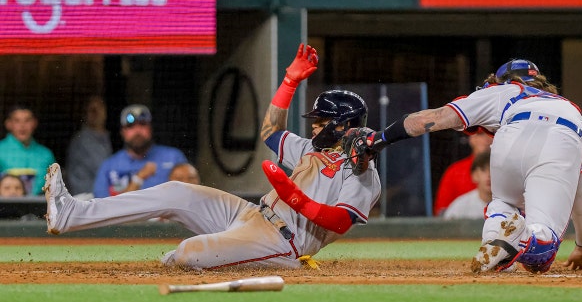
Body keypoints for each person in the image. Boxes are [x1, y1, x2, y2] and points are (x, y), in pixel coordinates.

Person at [42, 43, 381, 270]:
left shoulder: (362, 172)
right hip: (252, 214)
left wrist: (292, 196)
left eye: (319, 122)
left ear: (340, 127)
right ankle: (70, 213)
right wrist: (289, 82)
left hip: (284, 241)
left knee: (190, 252)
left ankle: (188, 259)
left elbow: (340, 221)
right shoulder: (311, 149)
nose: (313, 128)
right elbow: (270, 132)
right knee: (175, 191)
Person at [345, 59, 582, 273]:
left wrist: (379, 139)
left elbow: (431, 119)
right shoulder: (569, 107)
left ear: (503, 80)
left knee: (503, 204)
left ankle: (498, 240)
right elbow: (580, 197)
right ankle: (522, 237)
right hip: (561, 138)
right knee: (541, 253)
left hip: (510, 135)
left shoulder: (500, 91)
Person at [93, 104, 187, 198]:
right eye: (130, 126)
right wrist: (139, 178)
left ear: (150, 129)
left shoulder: (174, 157)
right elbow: (102, 205)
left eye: (142, 124)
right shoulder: (109, 166)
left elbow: (188, 194)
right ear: (123, 132)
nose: (137, 131)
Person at [0, 104, 55, 195]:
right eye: (17, 121)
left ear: (34, 123)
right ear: (8, 124)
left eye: (27, 120)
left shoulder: (46, 154)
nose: (22, 126)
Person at [434, 131, 493, 216]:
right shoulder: (454, 172)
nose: (487, 139)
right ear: (471, 138)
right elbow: (442, 213)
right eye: (480, 134)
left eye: (491, 134)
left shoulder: (508, 169)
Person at [66, 96, 113, 196]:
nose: (95, 113)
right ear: (85, 114)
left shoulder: (107, 138)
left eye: (98, 109)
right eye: (91, 110)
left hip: (102, 197)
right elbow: (104, 168)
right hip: (87, 198)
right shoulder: (82, 140)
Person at [443, 150, 491, 220]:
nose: (489, 175)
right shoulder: (459, 207)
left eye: (492, 170)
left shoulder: (510, 205)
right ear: (474, 175)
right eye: (483, 170)